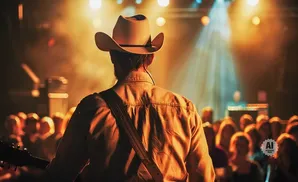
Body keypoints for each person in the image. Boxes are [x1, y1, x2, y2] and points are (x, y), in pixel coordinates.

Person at [44, 14, 215, 182]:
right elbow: (203, 176)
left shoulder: (92, 108)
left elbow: (60, 174)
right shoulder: (184, 109)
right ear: (151, 58)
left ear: (112, 56)